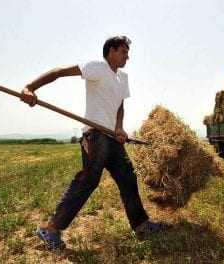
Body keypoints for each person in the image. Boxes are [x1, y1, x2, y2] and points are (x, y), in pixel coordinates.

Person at [21, 36, 161, 250]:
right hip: (95, 135)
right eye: (124, 51)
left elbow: (120, 105)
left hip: (113, 138)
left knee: (127, 177)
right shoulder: (97, 67)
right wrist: (30, 87)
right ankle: (50, 230)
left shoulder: (122, 78)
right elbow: (59, 72)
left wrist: (119, 127)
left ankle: (141, 226)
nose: (127, 56)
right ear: (111, 51)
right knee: (88, 181)